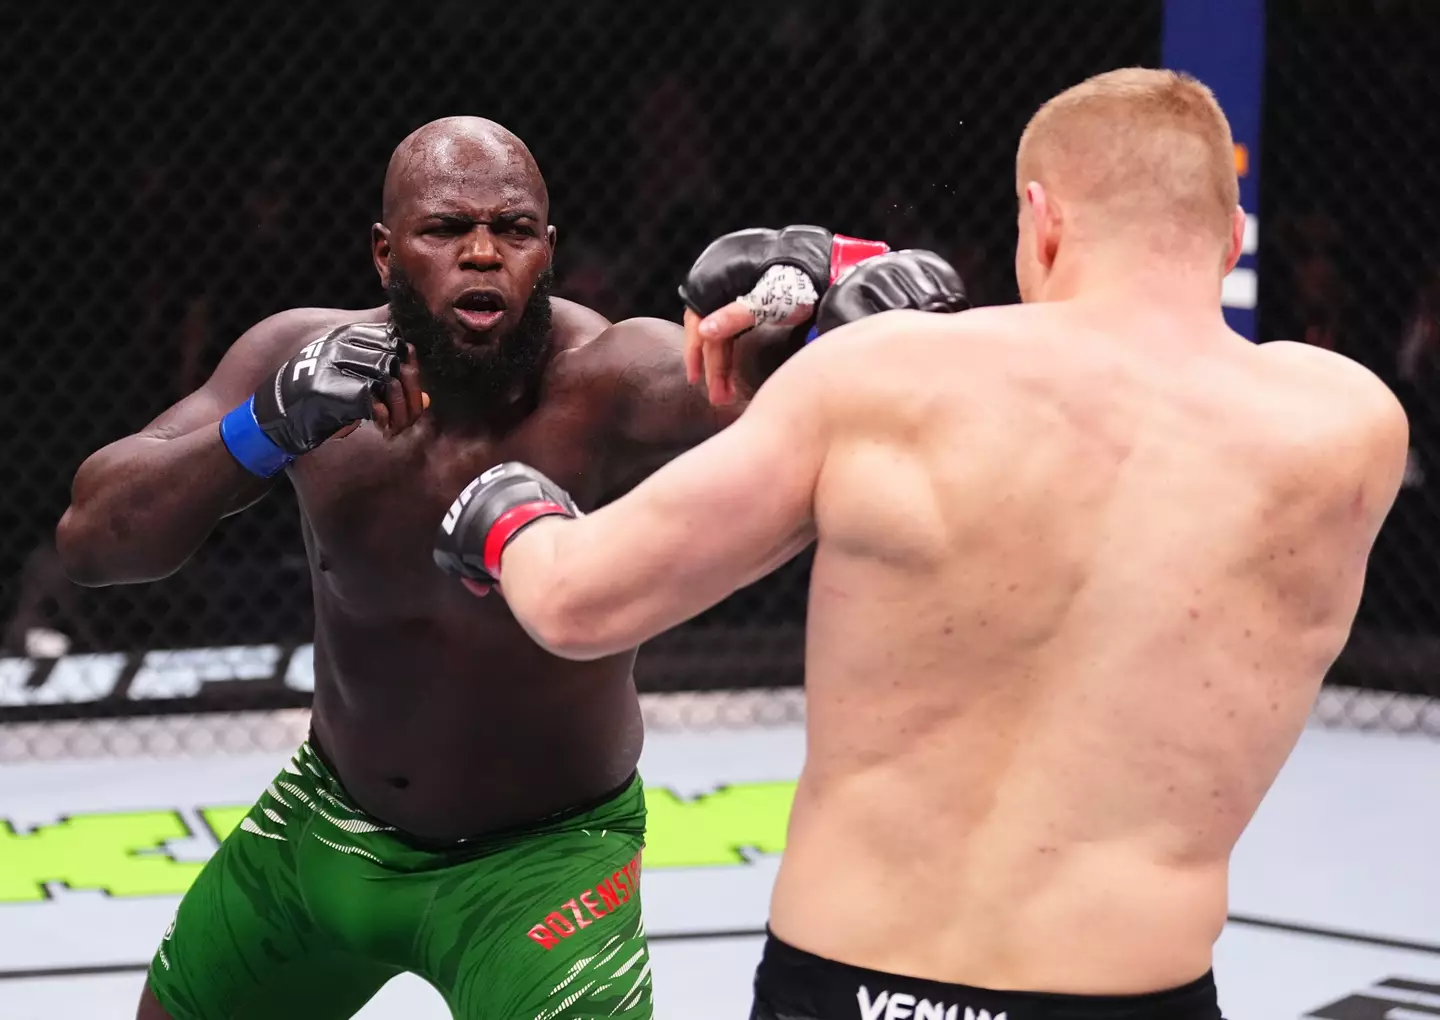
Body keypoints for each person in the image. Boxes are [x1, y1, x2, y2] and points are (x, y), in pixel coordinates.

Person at [435, 70, 1410, 1020]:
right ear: (1233, 236)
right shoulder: (1347, 426)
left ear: (1043, 218)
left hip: (848, 986)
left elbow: (575, 603)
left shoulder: (885, 379)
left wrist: (504, 503)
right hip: (1134, 990)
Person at [55, 115, 941, 1020]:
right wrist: (262, 429)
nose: (482, 254)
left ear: (546, 251)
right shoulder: (296, 359)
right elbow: (92, 539)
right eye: (446, 229)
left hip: (545, 863)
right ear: (386, 252)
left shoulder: (605, 378)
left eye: (513, 231)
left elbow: (803, 398)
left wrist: (843, 303)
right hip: (326, 823)